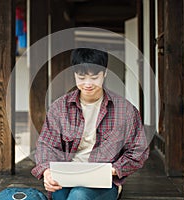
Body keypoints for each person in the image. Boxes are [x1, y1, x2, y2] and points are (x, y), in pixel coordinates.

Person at [31, 48, 149, 200]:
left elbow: (138, 151)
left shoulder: (125, 110)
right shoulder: (59, 107)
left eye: (94, 77)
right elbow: (46, 145)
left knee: (78, 196)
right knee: (60, 196)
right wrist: (47, 171)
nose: (87, 84)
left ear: (104, 73)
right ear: (74, 73)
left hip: (103, 181)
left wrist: (113, 170)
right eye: (81, 77)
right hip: (68, 176)